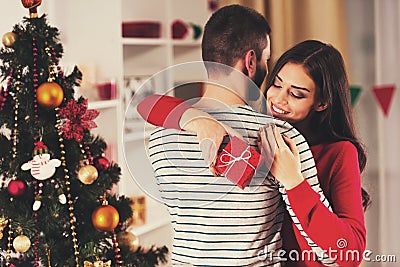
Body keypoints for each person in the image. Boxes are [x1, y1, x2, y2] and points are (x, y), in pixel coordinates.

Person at [138, 40, 369, 266]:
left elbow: (350, 253)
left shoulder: (338, 153)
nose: (278, 99)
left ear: (322, 103)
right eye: (277, 85)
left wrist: (294, 181)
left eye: (296, 94)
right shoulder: (257, 131)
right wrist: (200, 121)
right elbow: (147, 104)